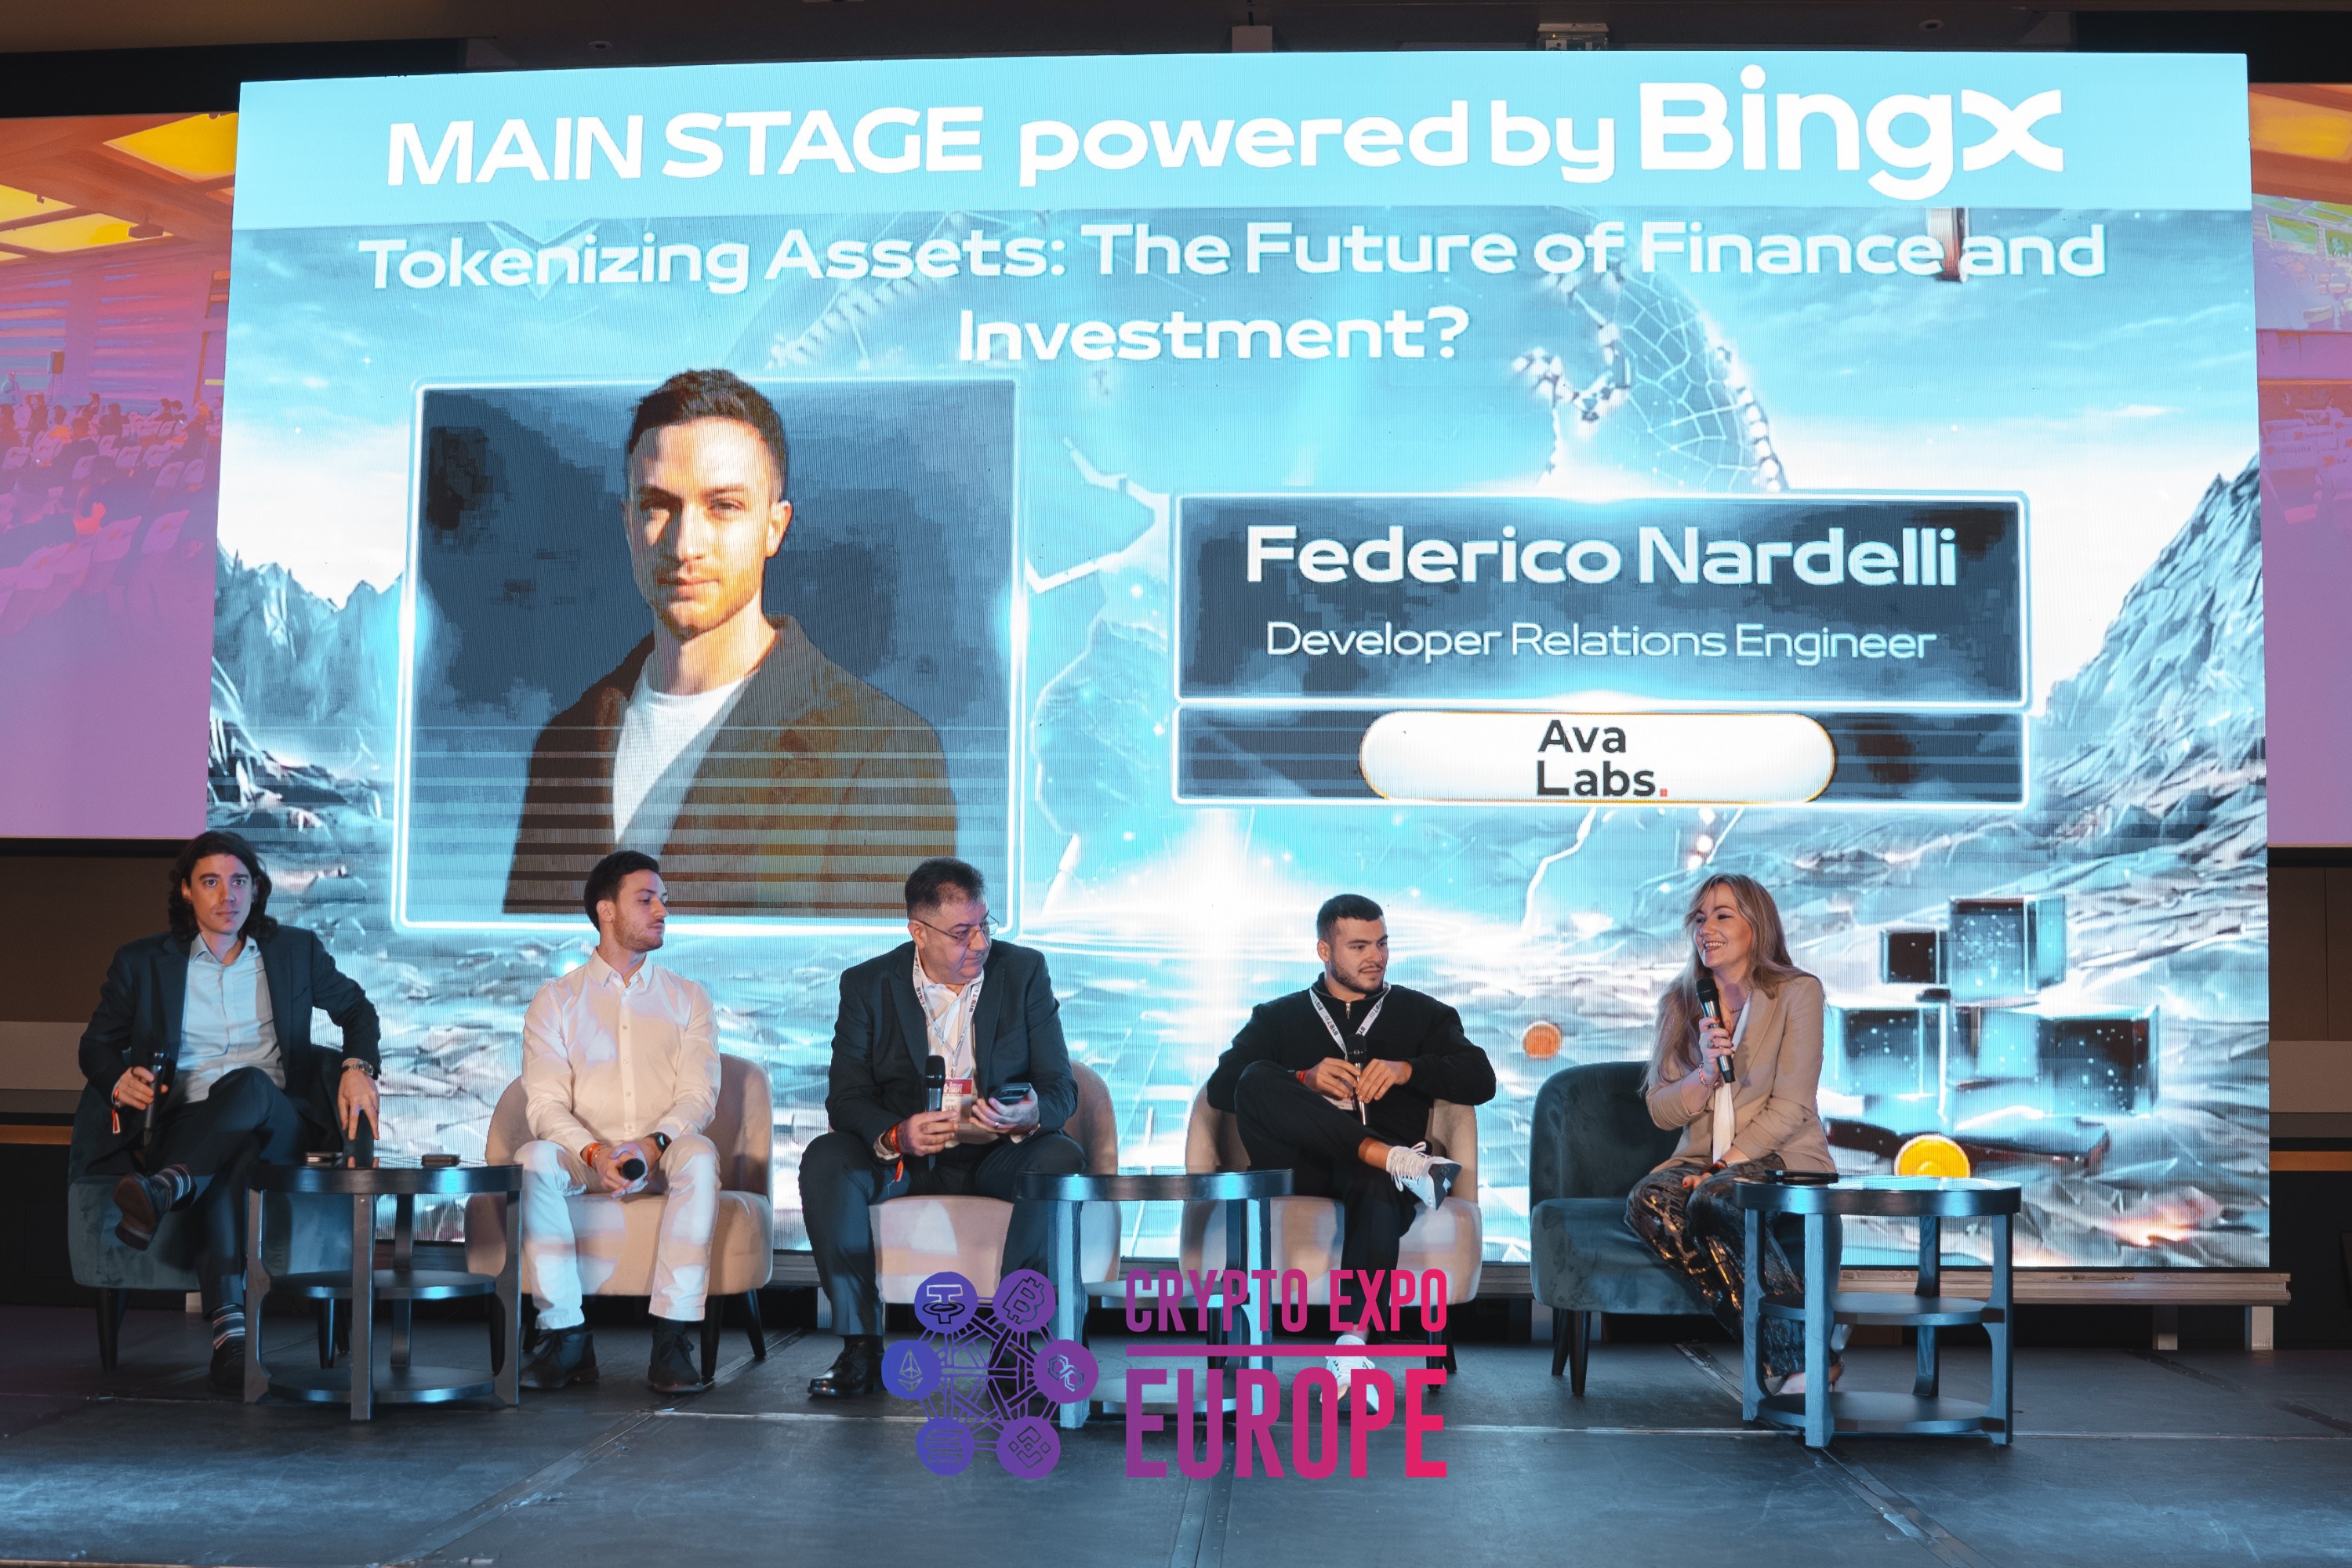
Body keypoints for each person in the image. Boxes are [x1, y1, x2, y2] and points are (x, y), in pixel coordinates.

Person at [503, 368, 956, 919]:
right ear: (627, 523)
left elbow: (894, 972)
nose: (684, 545)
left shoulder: (884, 753)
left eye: (723, 507)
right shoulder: (566, 744)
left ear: (774, 527)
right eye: (658, 505)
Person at [76, 831, 382, 1393]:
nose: (228, 895)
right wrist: (117, 1079)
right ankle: (231, 1342)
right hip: (185, 1126)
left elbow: (358, 1011)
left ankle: (166, 1190)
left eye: (239, 881)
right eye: (211, 882)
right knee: (227, 1158)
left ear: (256, 889)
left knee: (249, 1085)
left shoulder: (294, 951)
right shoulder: (142, 962)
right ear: (187, 891)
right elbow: (95, 1045)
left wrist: (357, 1066)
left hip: (279, 1124)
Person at [799, 857, 1083, 1399]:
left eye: (985, 925)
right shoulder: (868, 984)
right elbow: (847, 1096)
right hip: (908, 1159)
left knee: (1060, 1158)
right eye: (961, 932)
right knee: (826, 1159)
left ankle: (1016, 1345)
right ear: (918, 931)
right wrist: (896, 1134)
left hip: (998, 1154)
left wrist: (1031, 1113)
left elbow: (1060, 1087)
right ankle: (860, 1346)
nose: (979, 943)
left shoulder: (1023, 972)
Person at [1206, 894, 1496, 1405]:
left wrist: (1409, 1070)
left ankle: (1351, 1346)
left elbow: (1481, 1079)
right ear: (1325, 950)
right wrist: (1303, 1078)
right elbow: (1223, 1087)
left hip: (1375, 1175)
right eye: (1359, 946)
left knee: (1375, 1180)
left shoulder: (1424, 1015)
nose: (1376, 957)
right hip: (1300, 1166)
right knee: (1256, 1077)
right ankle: (1397, 1160)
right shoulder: (1277, 1017)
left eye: (1382, 944)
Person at [512, 850, 724, 1396]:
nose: (662, 911)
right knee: (533, 1159)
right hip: (588, 1158)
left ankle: (673, 1340)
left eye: (663, 900)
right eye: (646, 899)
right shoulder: (556, 1000)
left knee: (699, 1156)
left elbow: (698, 1095)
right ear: (606, 911)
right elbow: (545, 1105)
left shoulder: (689, 998)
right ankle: (566, 1337)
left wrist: (653, 1144)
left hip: (664, 1153)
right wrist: (595, 1154)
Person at [1624, 872, 1842, 1395]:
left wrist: (1724, 1167)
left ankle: (1797, 1361)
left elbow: (1792, 1107)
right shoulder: (1680, 1003)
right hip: (1702, 1163)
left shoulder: (1797, 992)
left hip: (1781, 1157)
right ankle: (1805, 1352)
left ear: (1756, 926)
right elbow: (1660, 1110)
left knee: (1718, 1197)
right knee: (1646, 1202)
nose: (1707, 929)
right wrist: (1703, 1072)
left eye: (1723, 915)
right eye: (1700, 918)